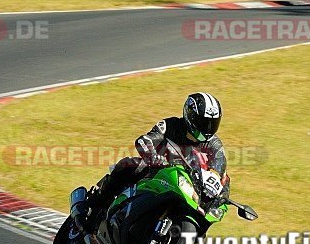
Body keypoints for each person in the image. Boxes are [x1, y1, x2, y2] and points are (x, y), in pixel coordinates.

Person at [72, 92, 230, 227]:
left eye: (212, 124)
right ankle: (94, 203)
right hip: (155, 172)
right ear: (190, 116)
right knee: (129, 165)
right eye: (203, 122)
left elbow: (220, 167)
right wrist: (155, 158)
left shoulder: (213, 143)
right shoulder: (171, 125)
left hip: (187, 186)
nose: (208, 128)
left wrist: (221, 196)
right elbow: (144, 140)